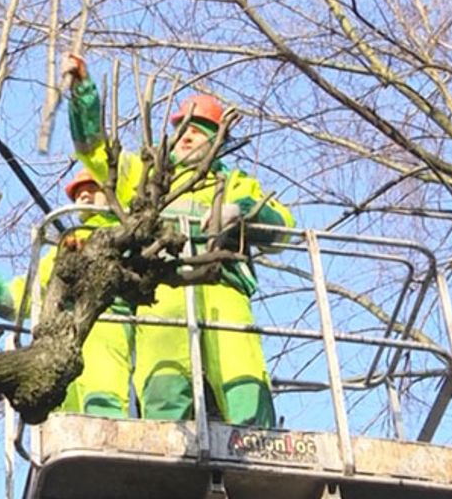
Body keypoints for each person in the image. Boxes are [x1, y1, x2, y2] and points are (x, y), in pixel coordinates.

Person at [62, 54, 294, 428]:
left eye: (199, 129)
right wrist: (83, 97)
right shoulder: (147, 175)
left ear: (218, 140)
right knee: (163, 375)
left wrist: (243, 212)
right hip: (161, 287)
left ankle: (258, 441)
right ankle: (163, 441)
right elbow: (98, 154)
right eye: (182, 127)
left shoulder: (234, 183)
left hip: (224, 288)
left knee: (242, 373)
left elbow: (282, 225)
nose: (186, 134)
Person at [0, 169, 132, 418]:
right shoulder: (63, 250)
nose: (83, 196)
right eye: (78, 193)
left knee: (103, 397)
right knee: (64, 409)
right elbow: (19, 300)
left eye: (92, 188)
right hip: (61, 340)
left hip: (107, 327)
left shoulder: (127, 233)